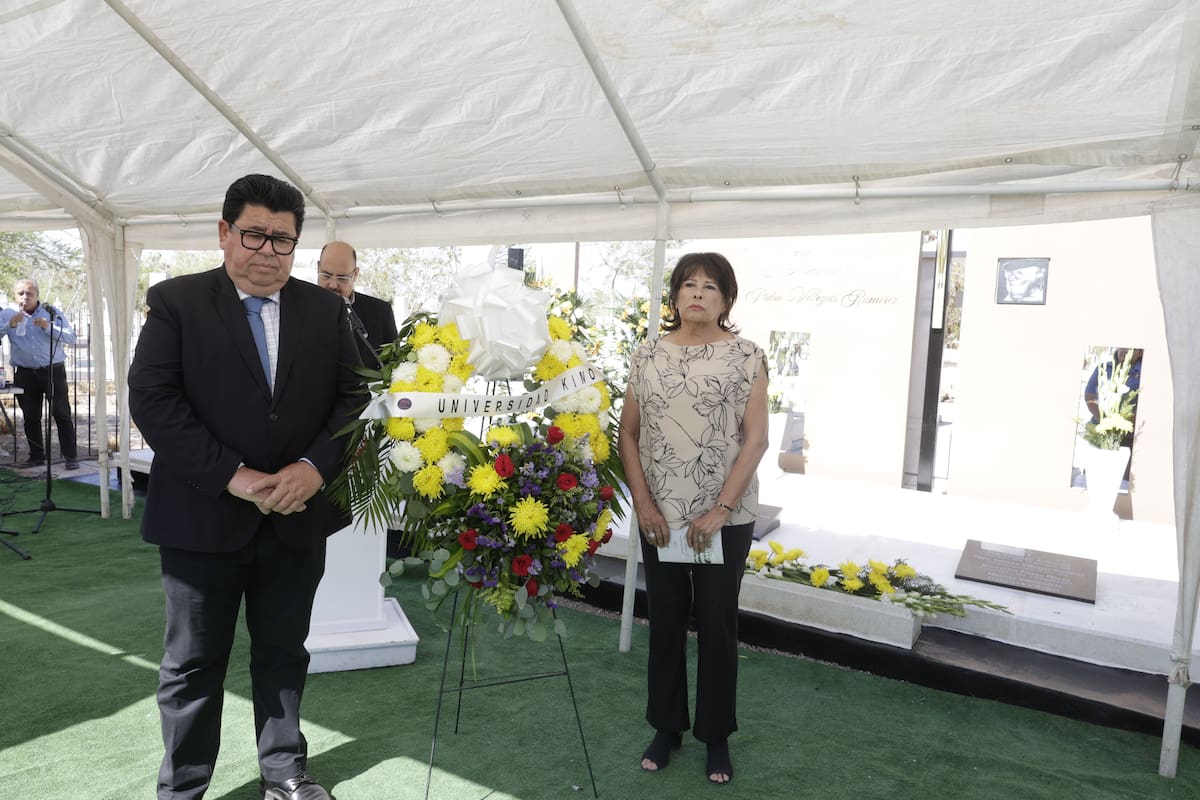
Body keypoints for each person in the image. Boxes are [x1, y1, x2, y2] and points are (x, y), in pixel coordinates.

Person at [129, 174, 364, 800]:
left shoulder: (324, 309)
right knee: (192, 666)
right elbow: (153, 401)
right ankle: (182, 787)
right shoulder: (177, 301)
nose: (267, 251)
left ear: (296, 244)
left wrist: (312, 469)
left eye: (282, 240)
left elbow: (354, 400)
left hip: (296, 517)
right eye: (254, 234)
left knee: (285, 651)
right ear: (225, 232)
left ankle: (284, 771)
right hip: (202, 519)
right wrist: (232, 475)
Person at [617, 252, 769, 785]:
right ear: (675, 296)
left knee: (718, 625)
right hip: (660, 517)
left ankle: (716, 737)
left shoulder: (747, 356)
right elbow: (627, 435)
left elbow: (756, 439)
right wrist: (643, 503)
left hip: (724, 518)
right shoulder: (646, 356)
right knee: (664, 623)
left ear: (726, 298)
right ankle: (666, 727)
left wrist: (721, 510)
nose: (698, 293)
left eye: (710, 286)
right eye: (688, 284)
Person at [0, 279, 80, 469]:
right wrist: (8, 326)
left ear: (37, 295)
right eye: (21, 293)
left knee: (61, 414)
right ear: (15, 295)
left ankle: (70, 457)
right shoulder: (7, 315)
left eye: (29, 293)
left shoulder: (50, 313)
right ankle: (37, 456)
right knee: (30, 417)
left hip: (53, 371)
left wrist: (47, 326)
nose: (25, 297)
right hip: (25, 374)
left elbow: (71, 337)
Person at [316, 240, 398, 364]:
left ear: (355, 275)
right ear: (318, 268)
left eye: (342, 278)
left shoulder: (381, 312)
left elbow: (393, 366)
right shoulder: (300, 310)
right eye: (326, 276)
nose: (333, 285)